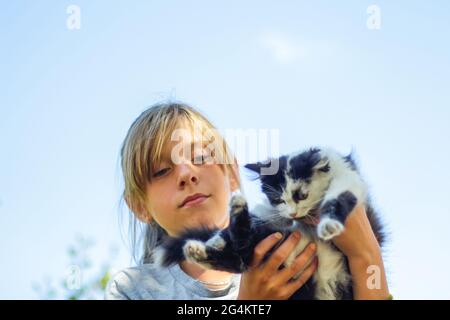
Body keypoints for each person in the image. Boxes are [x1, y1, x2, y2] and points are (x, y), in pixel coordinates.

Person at [104, 102, 390, 300]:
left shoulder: (294, 246)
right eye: (162, 170)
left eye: (201, 157)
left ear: (231, 173)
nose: (187, 174)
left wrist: (365, 256)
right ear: (139, 206)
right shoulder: (135, 289)